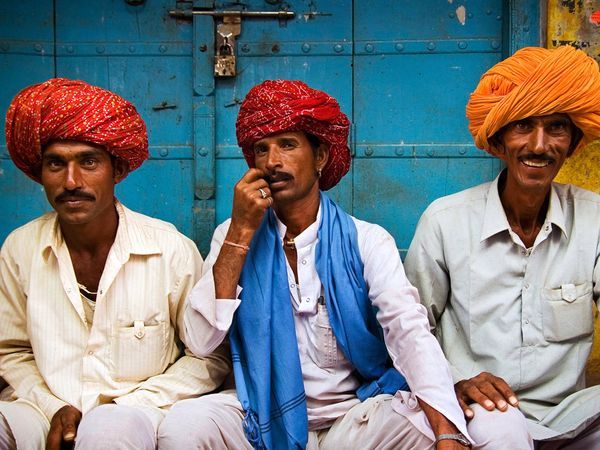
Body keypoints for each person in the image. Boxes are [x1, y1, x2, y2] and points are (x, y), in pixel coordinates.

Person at [183, 79, 473, 449]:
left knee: (433, 425)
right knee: (185, 424)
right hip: (258, 411)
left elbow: (408, 331)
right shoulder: (232, 234)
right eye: (261, 149)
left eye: (287, 145)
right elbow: (201, 340)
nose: (273, 162)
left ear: (320, 157)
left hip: (355, 417)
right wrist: (240, 231)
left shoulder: (367, 240)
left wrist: (446, 431)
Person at [0, 78, 231, 450]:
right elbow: (10, 351)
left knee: (109, 433)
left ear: (116, 170)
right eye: (55, 164)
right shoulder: (21, 248)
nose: (71, 181)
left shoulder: (169, 249)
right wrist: (54, 405)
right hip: (40, 408)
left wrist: (124, 405)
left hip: (137, 409)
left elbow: (208, 358)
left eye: (88, 162)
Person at [405, 45, 600, 449]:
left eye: (557, 128)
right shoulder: (445, 220)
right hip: (480, 414)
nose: (539, 145)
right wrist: (457, 379)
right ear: (498, 139)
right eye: (523, 126)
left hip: (572, 416)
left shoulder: (595, 218)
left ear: (573, 139)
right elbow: (410, 332)